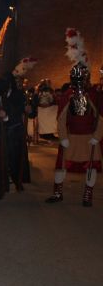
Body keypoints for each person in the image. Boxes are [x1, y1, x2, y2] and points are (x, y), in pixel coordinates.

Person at [47, 62, 103, 207]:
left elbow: (100, 117)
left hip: (89, 138)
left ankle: (88, 194)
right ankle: (58, 192)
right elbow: (61, 118)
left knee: (91, 166)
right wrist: (63, 137)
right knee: (61, 165)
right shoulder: (68, 95)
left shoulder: (94, 95)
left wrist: (97, 136)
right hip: (70, 137)